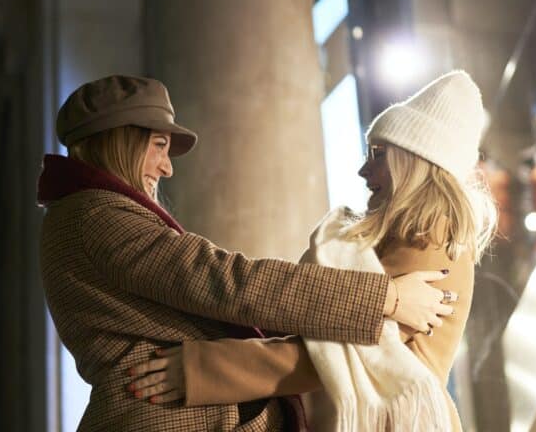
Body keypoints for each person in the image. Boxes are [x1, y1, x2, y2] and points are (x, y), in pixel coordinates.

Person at [37, 75, 455, 431]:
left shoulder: (87, 211)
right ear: (122, 141)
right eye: (160, 145)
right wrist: (389, 298)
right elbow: (227, 282)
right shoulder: (95, 214)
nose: (167, 167)